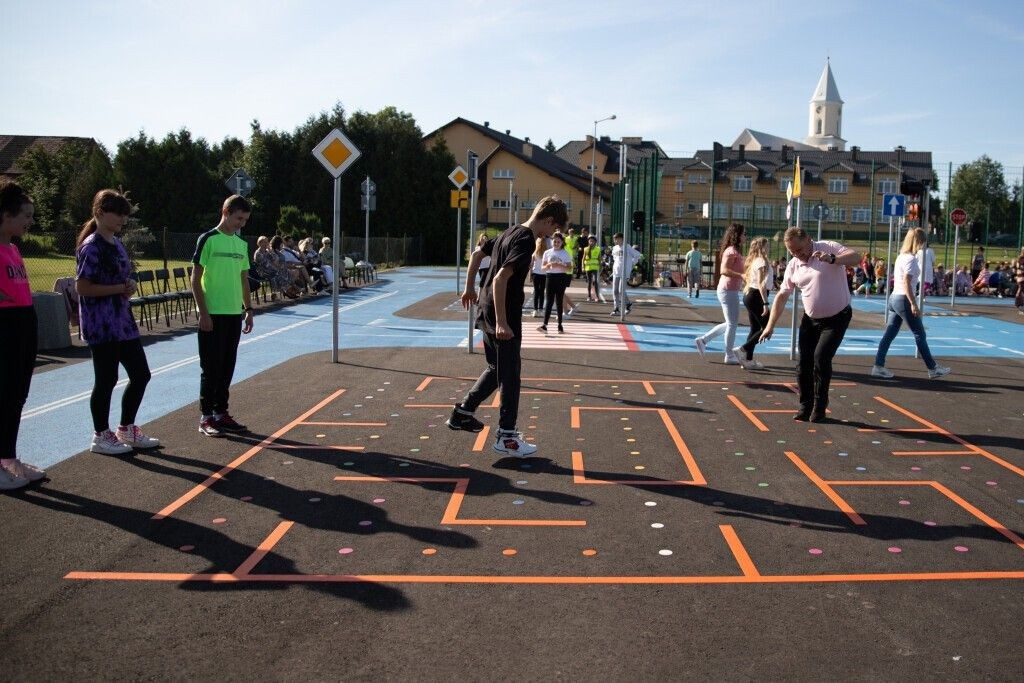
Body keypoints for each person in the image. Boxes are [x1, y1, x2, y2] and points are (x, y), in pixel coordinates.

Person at [446, 196, 567, 456]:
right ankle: (507, 437)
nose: (550, 235)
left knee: (495, 367)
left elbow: (477, 254)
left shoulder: (510, 231)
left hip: (487, 308)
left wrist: (469, 288)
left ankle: (463, 413)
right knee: (510, 375)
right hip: (503, 314)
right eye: (552, 229)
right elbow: (501, 279)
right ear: (547, 220)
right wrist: (502, 323)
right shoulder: (525, 240)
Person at [75, 190, 160, 455]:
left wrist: (129, 286)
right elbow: (83, 287)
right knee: (106, 379)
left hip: (121, 320)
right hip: (101, 323)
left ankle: (126, 428)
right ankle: (101, 434)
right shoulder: (92, 246)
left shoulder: (116, 243)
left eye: (125, 213)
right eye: (118, 213)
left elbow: (121, 279)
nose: (123, 218)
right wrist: (117, 288)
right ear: (100, 212)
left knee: (141, 374)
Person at [759, 227, 861, 423]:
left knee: (821, 358)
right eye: (791, 252)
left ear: (808, 240)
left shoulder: (827, 247)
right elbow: (782, 296)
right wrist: (770, 326)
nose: (796, 255)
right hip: (811, 319)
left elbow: (855, 257)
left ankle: (820, 407)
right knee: (803, 364)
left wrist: (833, 259)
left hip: (837, 317)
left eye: (798, 250)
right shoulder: (794, 265)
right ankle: (805, 405)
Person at [192, 195, 254, 437]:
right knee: (211, 367)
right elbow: (195, 278)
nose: (242, 224)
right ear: (226, 212)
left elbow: (243, 279)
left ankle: (221, 412)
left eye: (245, 220)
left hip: (233, 314)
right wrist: (203, 312)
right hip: (212, 314)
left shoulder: (241, 245)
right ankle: (206, 417)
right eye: (239, 218)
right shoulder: (208, 239)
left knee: (227, 365)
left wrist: (248, 310)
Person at [0, 182, 45, 489]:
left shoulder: (14, 249)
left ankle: (9, 457)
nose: (29, 221)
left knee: (17, 395)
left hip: (23, 323)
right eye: (25, 215)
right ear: (5, 215)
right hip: (4, 324)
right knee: (3, 396)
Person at [871, 228, 951, 380]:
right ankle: (932, 368)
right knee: (919, 333)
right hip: (904, 299)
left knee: (890, 333)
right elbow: (907, 282)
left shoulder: (902, 256)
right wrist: (913, 303)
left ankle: (878, 366)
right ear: (919, 242)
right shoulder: (911, 259)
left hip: (895, 298)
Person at [694, 222, 745, 363]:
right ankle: (728, 355)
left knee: (730, 323)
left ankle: (703, 340)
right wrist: (741, 276)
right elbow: (724, 270)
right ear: (737, 235)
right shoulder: (731, 251)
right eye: (743, 234)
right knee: (732, 324)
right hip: (728, 290)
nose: (745, 236)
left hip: (730, 290)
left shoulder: (735, 250)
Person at [733, 236, 772, 370]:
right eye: (767, 245)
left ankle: (748, 360)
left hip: (750, 295)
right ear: (762, 247)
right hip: (757, 296)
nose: (769, 247)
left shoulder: (755, 261)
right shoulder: (761, 261)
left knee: (755, 328)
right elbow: (761, 284)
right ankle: (742, 350)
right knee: (767, 328)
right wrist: (766, 304)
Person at [537, 231, 572, 334]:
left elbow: (569, 269)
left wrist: (560, 265)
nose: (556, 243)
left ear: (562, 242)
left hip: (561, 277)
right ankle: (545, 325)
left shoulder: (565, 253)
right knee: (549, 301)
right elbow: (543, 268)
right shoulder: (547, 252)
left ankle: (560, 325)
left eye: (558, 241)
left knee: (559, 300)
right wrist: (548, 266)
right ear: (552, 241)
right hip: (550, 277)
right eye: (554, 241)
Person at [609, 232, 641, 316]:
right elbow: (615, 258)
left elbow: (637, 255)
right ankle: (616, 309)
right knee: (615, 291)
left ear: (621, 239)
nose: (615, 240)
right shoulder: (615, 248)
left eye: (617, 238)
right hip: (616, 271)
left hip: (624, 272)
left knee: (621, 290)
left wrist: (631, 264)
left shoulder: (627, 247)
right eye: (614, 239)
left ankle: (628, 304)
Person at [583, 235, 603, 302]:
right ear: (588, 241)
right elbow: (583, 259)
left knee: (595, 281)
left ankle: (597, 296)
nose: (591, 242)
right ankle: (589, 296)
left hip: (595, 267)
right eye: (590, 241)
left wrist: (600, 266)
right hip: (588, 267)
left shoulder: (598, 249)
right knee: (589, 282)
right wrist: (583, 267)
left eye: (593, 241)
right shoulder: (586, 249)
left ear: (595, 242)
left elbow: (599, 259)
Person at [530, 237, 546, 317]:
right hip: (544, 274)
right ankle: (540, 309)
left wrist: (530, 275)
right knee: (542, 292)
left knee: (536, 292)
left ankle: (535, 310)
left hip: (535, 273)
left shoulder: (534, 253)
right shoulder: (546, 253)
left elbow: (531, 265)